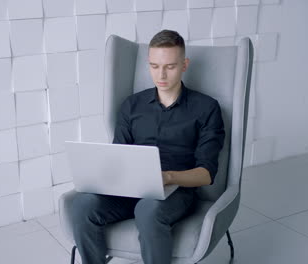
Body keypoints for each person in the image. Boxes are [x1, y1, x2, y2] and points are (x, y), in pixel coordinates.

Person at [70, 29, 225, 264]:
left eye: (170, 67)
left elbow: (206, 174)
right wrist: (99, 174)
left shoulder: (207, 108)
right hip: (129, 189)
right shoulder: (132, 105)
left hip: (177, 190)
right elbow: (118, 156)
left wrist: (168, 177)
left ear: (184, 65)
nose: (160, 74)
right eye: (154, 66)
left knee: (148, 210)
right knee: (81, 205)